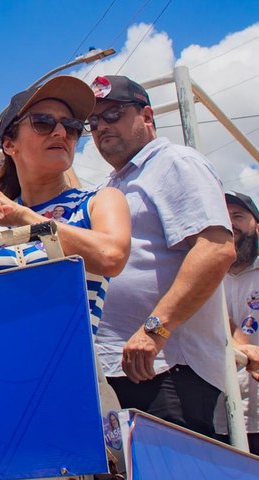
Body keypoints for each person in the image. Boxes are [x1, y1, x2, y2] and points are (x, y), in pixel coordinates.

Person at [88, 74, 236, 438]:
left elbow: (215, 248)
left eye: (113, 114)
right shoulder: (112, 185)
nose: (100, 127)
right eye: (92, 123)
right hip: (123, 370)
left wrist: (156, 329)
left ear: (148, 116)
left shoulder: (174, 163)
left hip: (167, 369)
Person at [0, 76, 131, 340]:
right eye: (43, 123)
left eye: (71, 127)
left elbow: (111, 256)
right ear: (10, 144)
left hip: (71, 372)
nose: (60, 133)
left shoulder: (99, 201)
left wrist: (23, 217)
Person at [214, 191, 259, 453]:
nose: (230, 223)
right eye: (224, 216)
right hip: (219, 419)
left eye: (238, 216)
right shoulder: (205, 276)